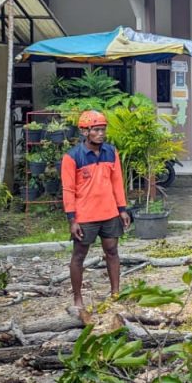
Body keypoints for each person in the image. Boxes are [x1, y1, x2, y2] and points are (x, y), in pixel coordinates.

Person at [61, 110, 131, 311]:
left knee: (112, 251)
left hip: (109, 213)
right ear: (85, 132)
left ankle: (115, 292)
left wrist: (122, 209)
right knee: (79, 256)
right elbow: (68, 189)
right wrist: (72, 219)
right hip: (85, 216)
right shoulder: (72, 157)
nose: (101, 134)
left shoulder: (111, 152)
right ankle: (78, 299)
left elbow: (117, 182)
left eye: (103, 130)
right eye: (96, 130)